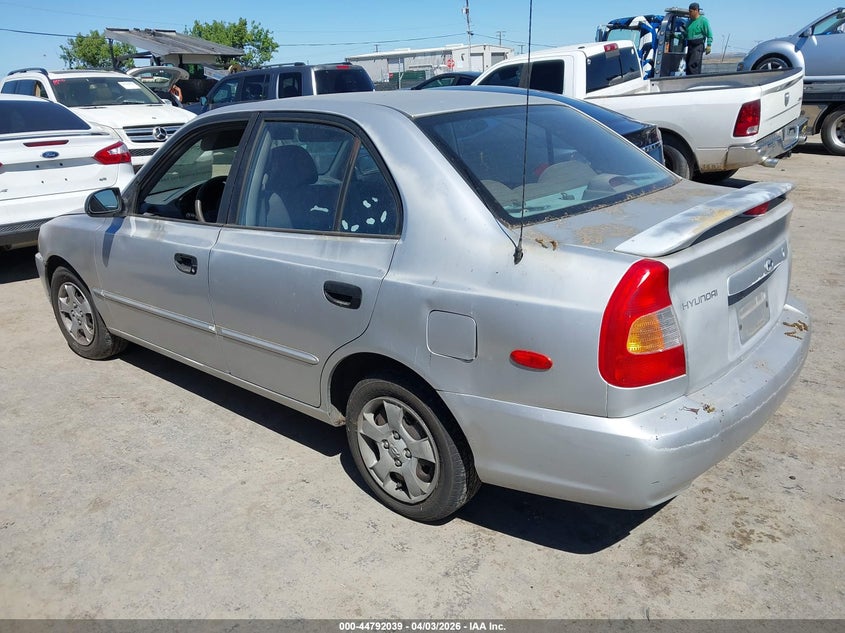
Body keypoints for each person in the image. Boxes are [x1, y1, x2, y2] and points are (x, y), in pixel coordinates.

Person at [684, 2, 713, 75]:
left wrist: (709, 45)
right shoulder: (689, 22)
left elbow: (709, 34)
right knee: (688, 65)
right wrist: (676, 36)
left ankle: (693, 80)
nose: (689, 13)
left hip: (698, 46)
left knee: (693, 64)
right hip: (690, 46)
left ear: (696, 10)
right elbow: (685, 34)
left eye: (691, 11)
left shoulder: (703, 21)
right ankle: (688, 79)